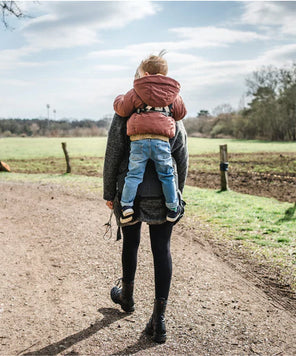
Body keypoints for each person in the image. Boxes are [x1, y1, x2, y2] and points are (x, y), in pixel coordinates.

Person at [103, 58, 188, 343]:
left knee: (131, 242)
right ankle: (159, 320)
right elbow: (181, 155)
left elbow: (113, 153)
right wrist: (178, 194)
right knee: (162, 249)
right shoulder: (173, 108)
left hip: (131, 194)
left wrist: (108, 194)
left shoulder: (126, 109)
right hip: (165, 196)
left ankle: (126, 297)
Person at [113, 52, 187, 224]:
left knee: (134, 175)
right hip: (161, 141)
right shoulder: (172, 94)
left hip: (139, 140)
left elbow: (123, 109)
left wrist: (119, 99)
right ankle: (172, 207)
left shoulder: (136, 90)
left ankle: (126, 206)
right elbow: (181, 114)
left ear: (145, 74)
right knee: (167, 175)